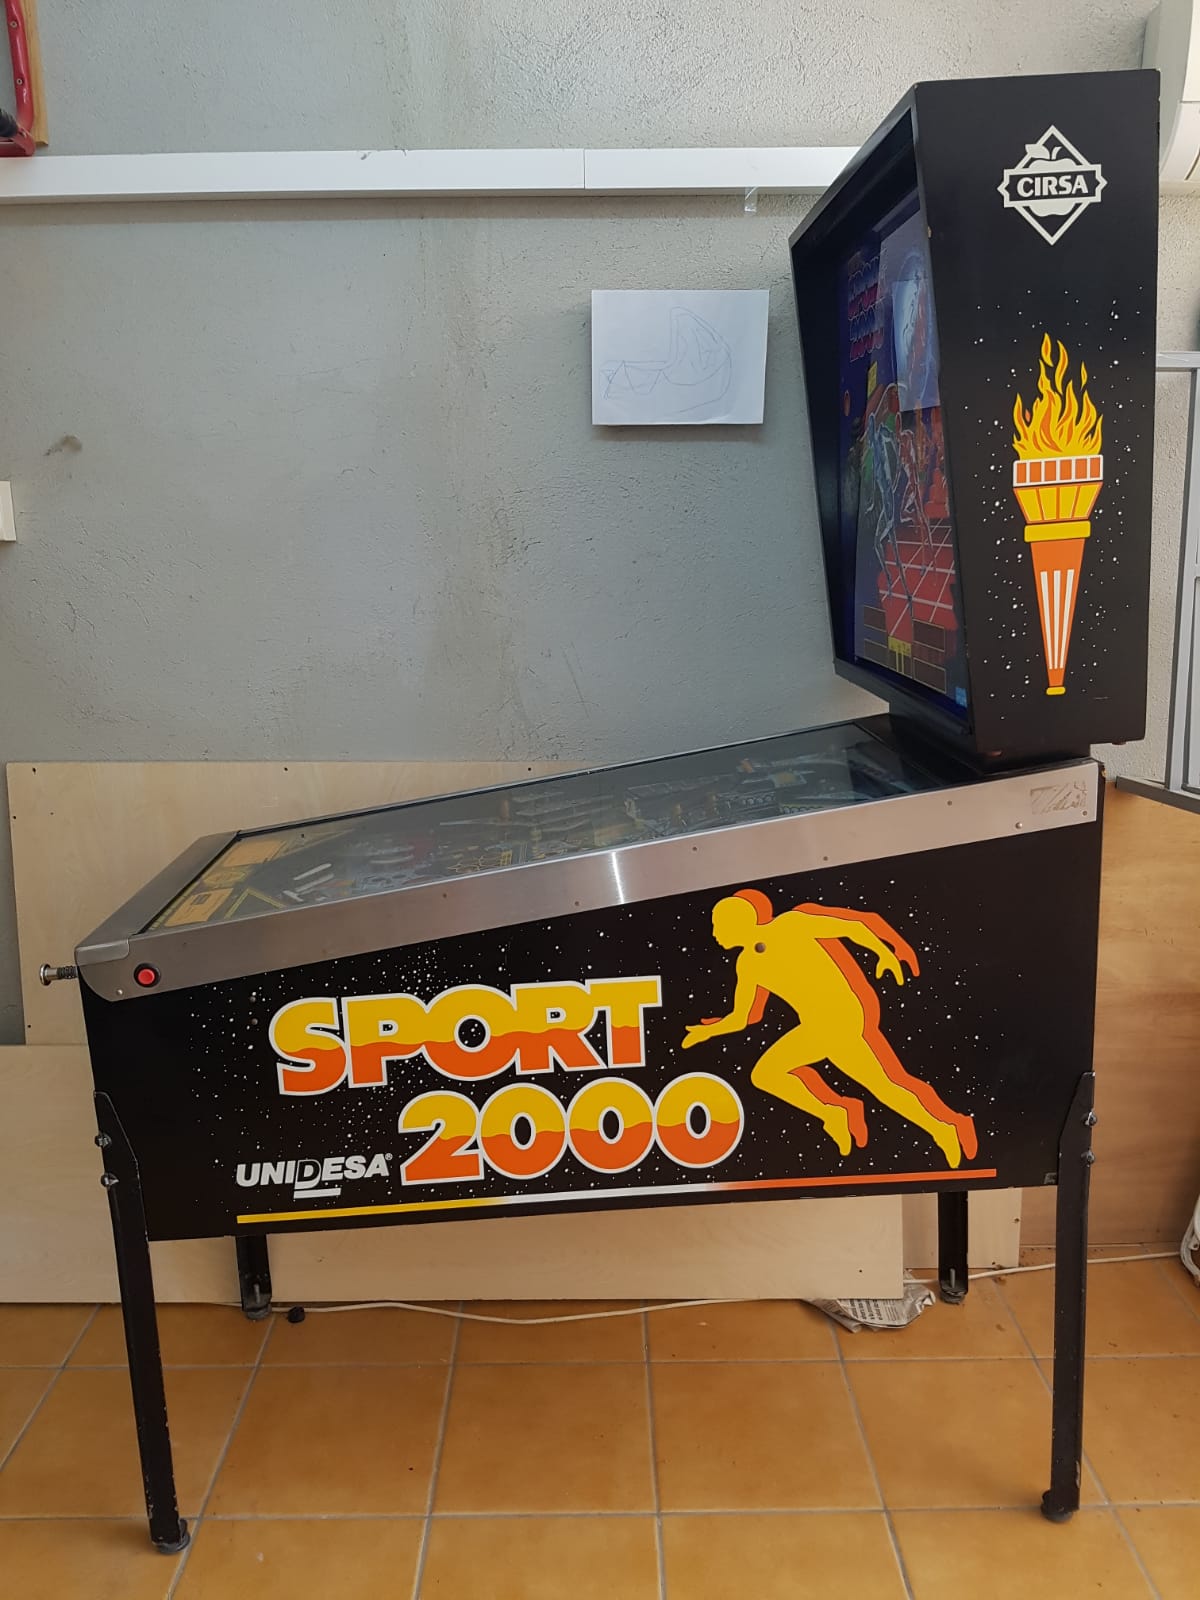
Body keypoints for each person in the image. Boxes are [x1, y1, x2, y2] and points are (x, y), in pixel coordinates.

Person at [682, 889, 977, 1169]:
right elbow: (742, 1017)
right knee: (876, 1086)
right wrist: (708, 1031)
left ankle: (857, 1117)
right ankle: (930, 1127)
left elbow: (852, 927)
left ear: (739, 922)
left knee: (880, 1085)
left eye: (718, 924)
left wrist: (882, 951)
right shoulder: (747, 964)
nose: (715, 932)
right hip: (816, 1026)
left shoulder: (789, 926)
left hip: (840, 1018)